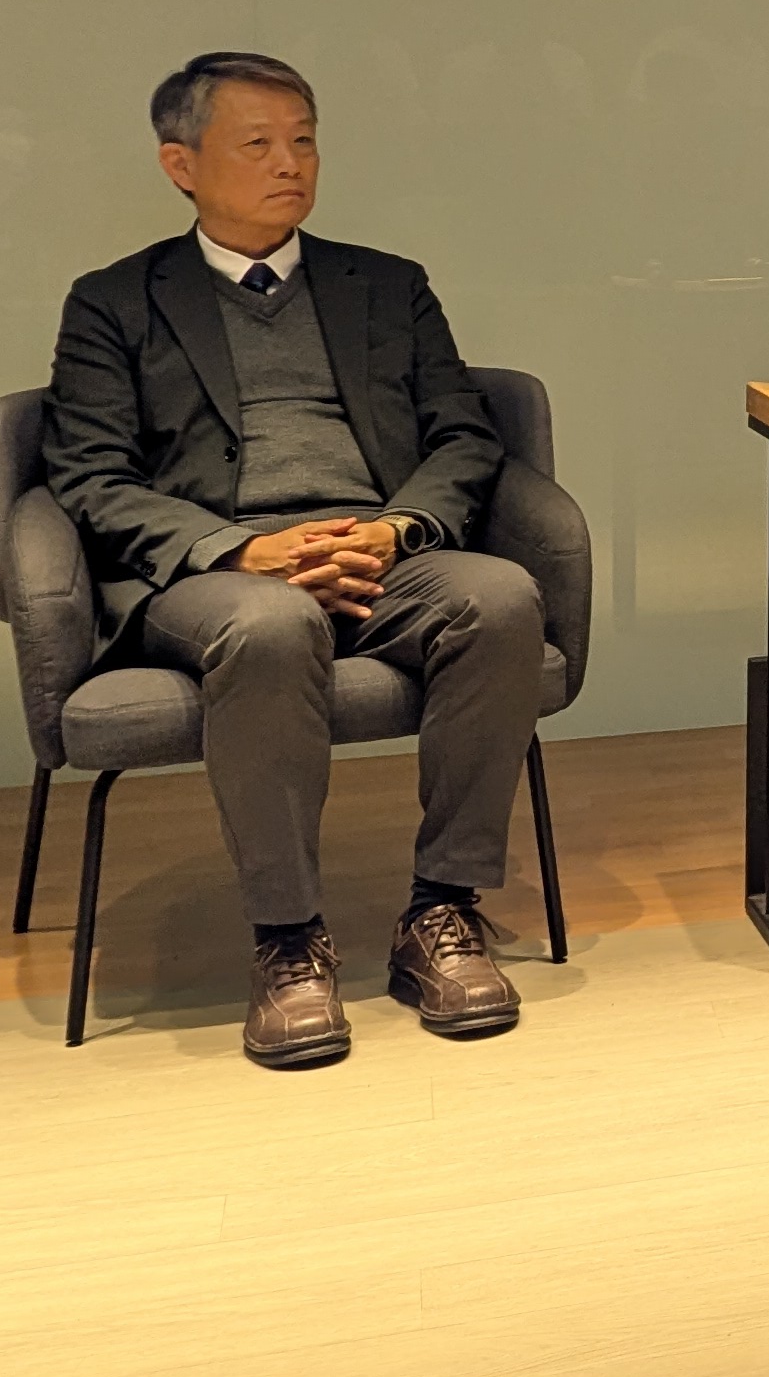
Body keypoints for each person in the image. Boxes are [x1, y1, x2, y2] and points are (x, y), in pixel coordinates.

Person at [42, 53, 547, 1068]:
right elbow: (89, 475)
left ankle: (442, 912)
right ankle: (288, 942)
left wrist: (397, 528)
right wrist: (240, 549)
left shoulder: (388, 285)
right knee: (272, 625)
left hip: (377, 547)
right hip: (215, 571)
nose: (292, 164)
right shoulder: (114, 301)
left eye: (305, 140)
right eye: (259, 144)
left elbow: (464, 434)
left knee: (499, 599)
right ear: (181, 164)